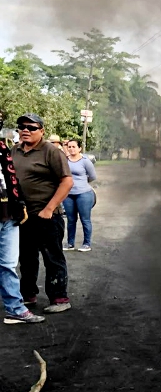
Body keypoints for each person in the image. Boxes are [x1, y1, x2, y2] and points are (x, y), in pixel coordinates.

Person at [12, 114, 73, 314]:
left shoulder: (51, 152)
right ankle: (28, 295)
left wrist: (49, 209)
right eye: (21, 126)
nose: (25, 130)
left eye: (31, 127)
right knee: (27, 257)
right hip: (23, 215)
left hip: (47, 215)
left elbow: (67, 182)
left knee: (52, 257)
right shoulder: (15, 150)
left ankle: (59, 298)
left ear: (42, 131)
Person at [0, 134, 44, 324]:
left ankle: (15, 309)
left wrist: (19, 204)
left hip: (9, 213)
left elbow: (11, 178)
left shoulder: (2, 147)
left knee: (8, 265)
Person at [63, 139, 97, 252]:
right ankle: (70, 243)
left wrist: (81, 183)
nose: (71, 149)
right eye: (69, 147)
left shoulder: (85, 161)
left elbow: (92, 176)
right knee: (71, 219)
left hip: (84, 194)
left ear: (79, 148)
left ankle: (86, 243)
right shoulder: (65, 161)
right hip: (68, 194)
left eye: (74, 147)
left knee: (85, 219)